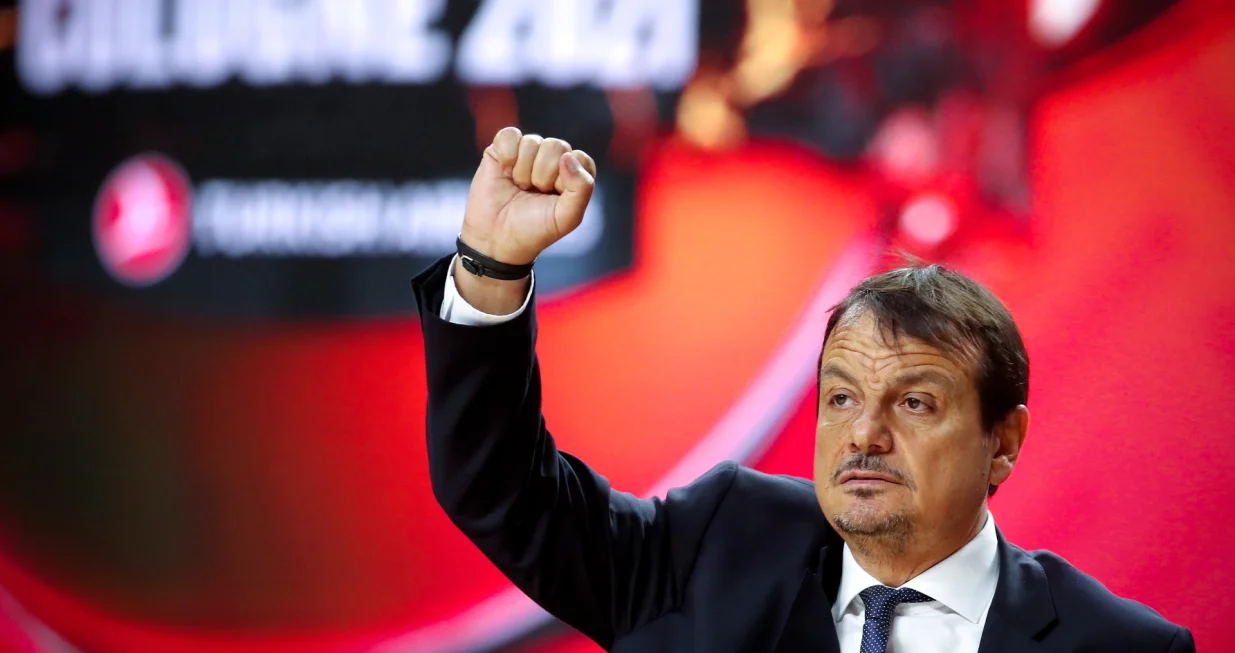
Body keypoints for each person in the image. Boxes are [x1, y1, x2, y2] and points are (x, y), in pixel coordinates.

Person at [412, 127, 1194, 653]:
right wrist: (489, 267)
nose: (862, 435)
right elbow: (500, 490)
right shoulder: (719, 546)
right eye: (841, 398)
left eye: (914, 402)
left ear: (1003, 441)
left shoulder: (1116, 643)